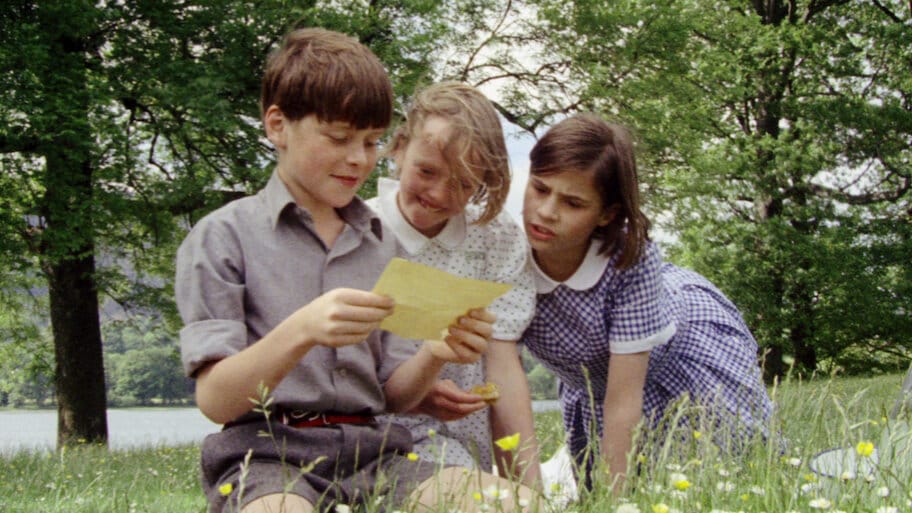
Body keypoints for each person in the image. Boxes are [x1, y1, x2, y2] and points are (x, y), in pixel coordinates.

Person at [175, 28, 534, 513]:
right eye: (340, 138)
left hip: (376, 452)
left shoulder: (381, 243)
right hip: (266, 454)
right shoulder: (222, 236)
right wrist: (302, 330)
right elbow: (217, 402)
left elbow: (394, 395)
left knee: (514, 505)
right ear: (277, 125)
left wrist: (434, 353)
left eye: (370, 141)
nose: (359, 159)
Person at [519, 113, 774, 491]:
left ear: (607, 214)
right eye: (540, 189)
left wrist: (615, 500)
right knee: (600, 487)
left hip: (676, 359)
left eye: (573, 203)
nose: (547, 211)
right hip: (590, 381)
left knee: (724, 483)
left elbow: (623, 401)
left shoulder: (628, 261)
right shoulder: (503, 254)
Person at [366, 82, 541, 486]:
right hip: (370, 438)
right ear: (399, 147)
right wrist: (414, 391)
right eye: (426, 171)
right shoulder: (358, 233)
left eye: (463, 184)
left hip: (459, 443)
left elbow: (503, 367)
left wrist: (530, 488)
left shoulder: (497, 238)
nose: (438, 194)